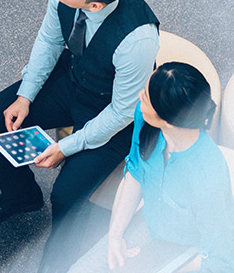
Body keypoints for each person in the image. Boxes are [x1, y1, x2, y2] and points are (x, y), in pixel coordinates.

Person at [0, 0, 160, 273]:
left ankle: (57, 264)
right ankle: (21, 195)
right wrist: (25, 96)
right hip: (71, 81)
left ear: (94, 4)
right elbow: (49, 41)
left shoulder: (138, 41)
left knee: (66, 197)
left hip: (110, 113)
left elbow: (121, 113)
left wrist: (64, 147)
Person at [70, 62, 234, 272]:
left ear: (169, 121)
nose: (140, 97)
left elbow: (218, 259)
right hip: (151, 223)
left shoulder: (207, 177)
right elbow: (137, 172)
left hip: (189, 246)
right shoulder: (146, 118)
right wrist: (115, 235)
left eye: (146, 97)